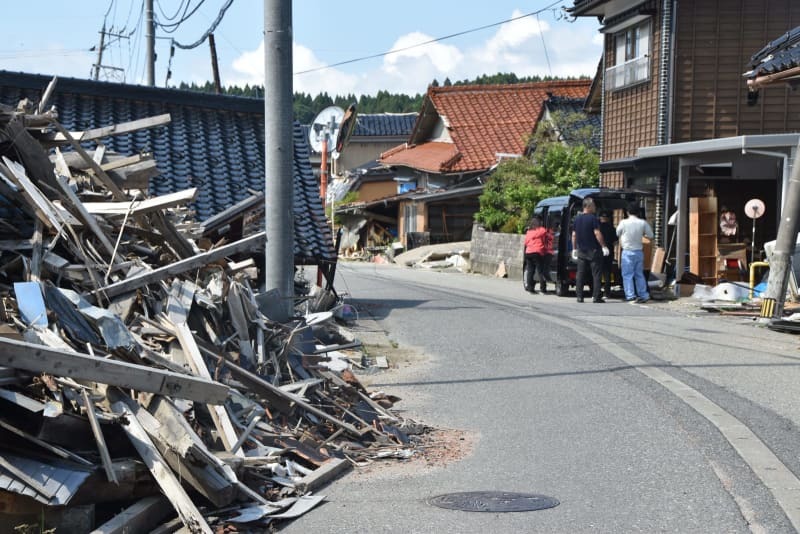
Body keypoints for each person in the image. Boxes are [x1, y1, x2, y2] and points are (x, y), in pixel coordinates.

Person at [571, 198, 609, 303]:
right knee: (596, 274)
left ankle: (579, 296)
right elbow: (597, 233)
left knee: (580, 273)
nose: (595, 207)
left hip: (581, 250)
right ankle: (596, 296)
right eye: (593, 205)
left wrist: (574, 249)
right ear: (588, 206)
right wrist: (604, 246)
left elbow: (574, 235)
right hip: (594, 250)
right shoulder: (593, 219)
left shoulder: (577, 219)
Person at [616, 203, 655, 303]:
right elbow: (651, 235)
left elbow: (617, 233)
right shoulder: (643, 223)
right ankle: (643, 295)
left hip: (627, 251)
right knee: (639, 274)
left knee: (627, 275)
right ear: (638, 212)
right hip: (638, 251)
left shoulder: (624, 222)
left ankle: (630, 295)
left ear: (627, 212)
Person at [523, 216, 554, 293]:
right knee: (540, 271)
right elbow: (547, 234)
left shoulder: (529, 232)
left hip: (528, 252)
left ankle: (530, 288)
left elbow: (526, 242)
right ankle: (543, 288)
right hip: (537, 252)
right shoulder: (542, 230)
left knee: (530, 270)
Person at [598, 210, 618, 298]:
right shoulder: (612, 228)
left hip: (599, 252)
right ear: (608, 219)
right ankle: (607, 292)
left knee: (597, 272)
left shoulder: (597, 228)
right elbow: (616, 242)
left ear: (600, 218)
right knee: (607, 273)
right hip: (609, 252)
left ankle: (596, 291)